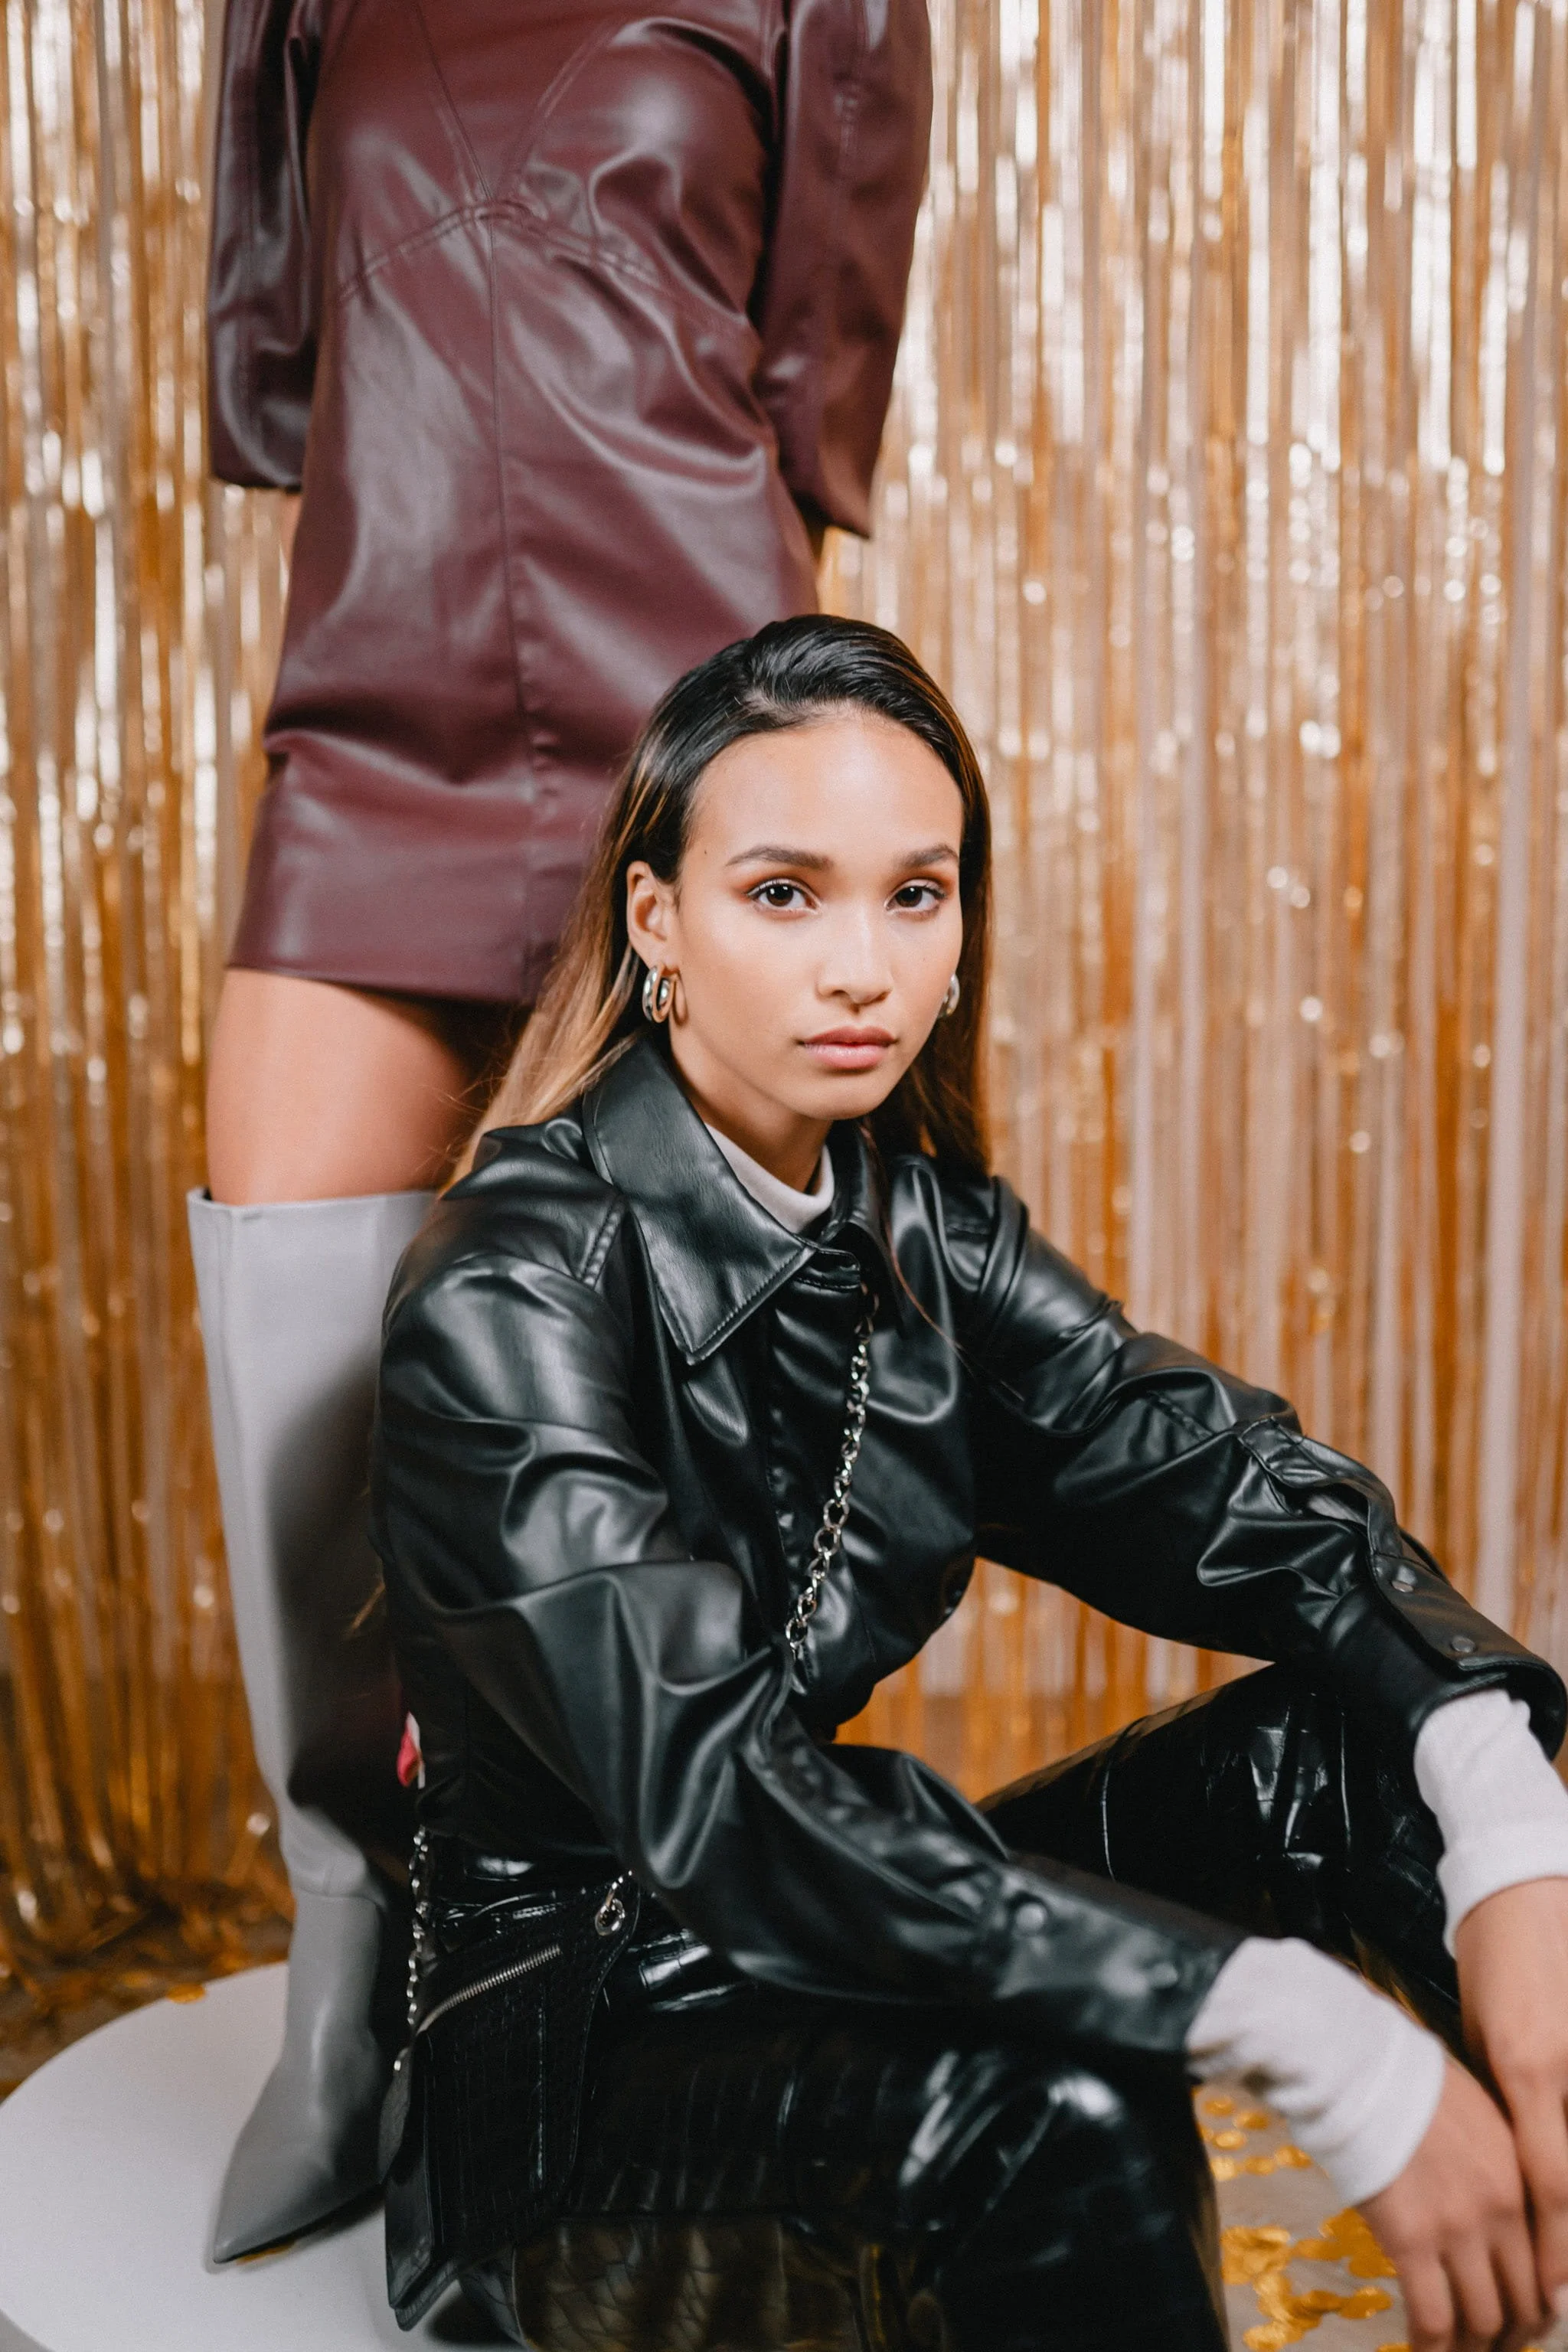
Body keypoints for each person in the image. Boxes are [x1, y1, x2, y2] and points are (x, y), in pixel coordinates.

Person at [371, 615, 1568, 2352]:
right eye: (784, 893)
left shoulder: (927, 1241)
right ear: (659, 931)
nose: (859, 963)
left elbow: (1261, 1505)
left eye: (913, 895)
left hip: (827, 1940)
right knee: (1060, 2119)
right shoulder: (509, 1284)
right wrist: (1318, 2032)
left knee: (1372, 1749)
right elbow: (729, 1810)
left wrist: (1517, 1839)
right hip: (576, 2073)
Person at [188, 0, 931, 2259]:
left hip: (698, 721)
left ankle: (653, 1966)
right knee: (289, 1336)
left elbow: (815, 383)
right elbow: (275, 368)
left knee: (715, 1390)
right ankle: (354, 1942)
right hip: (378, 709)